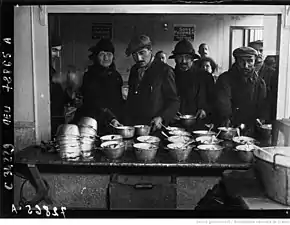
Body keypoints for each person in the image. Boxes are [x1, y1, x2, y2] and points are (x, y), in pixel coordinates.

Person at [124, 34, 180, 131]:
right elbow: (131, 99)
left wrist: (162, 117)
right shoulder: (134, 70)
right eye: (134, 55)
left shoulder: (165, 70)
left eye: (142, 53)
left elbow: (174, 101)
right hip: (136, 127)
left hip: (155, 127)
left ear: (150, 50)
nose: (139, 58)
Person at [72, 39, 124, 135]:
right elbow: (92, 102)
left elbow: (119, 101)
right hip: (94, 123)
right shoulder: (89, 76)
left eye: (109, 54)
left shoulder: (116, 76)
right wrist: (110, 118)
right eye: (102, 54)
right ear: (96, 56)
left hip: (115, 123)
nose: (106, 58)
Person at [215, 46, 268, 135]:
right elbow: (223, 104)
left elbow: (263, 106)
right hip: (229, 127)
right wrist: (227, 118)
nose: (246, 65)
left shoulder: (260, 83)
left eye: (250, 61)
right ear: (236, 61)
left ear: (255, 61)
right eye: (241, 61)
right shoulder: (225, 79)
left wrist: (261, 119)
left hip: (251, 129)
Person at [168, 39, 212, 123]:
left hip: (200, 124)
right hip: (175, 125)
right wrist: (170, 112)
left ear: (192, 59)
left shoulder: (205, 77)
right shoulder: (171, 76)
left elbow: (213, 100)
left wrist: (205, 110)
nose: (183, 61)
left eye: (187, 57)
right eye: (180, 57)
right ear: (175, 59)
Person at [50, 37, 72, 136]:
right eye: (54, 50)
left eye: (59, 51)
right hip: (50, 118)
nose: (58, 55)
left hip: (57, 116)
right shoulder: (41, 70)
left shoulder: (51, 70)